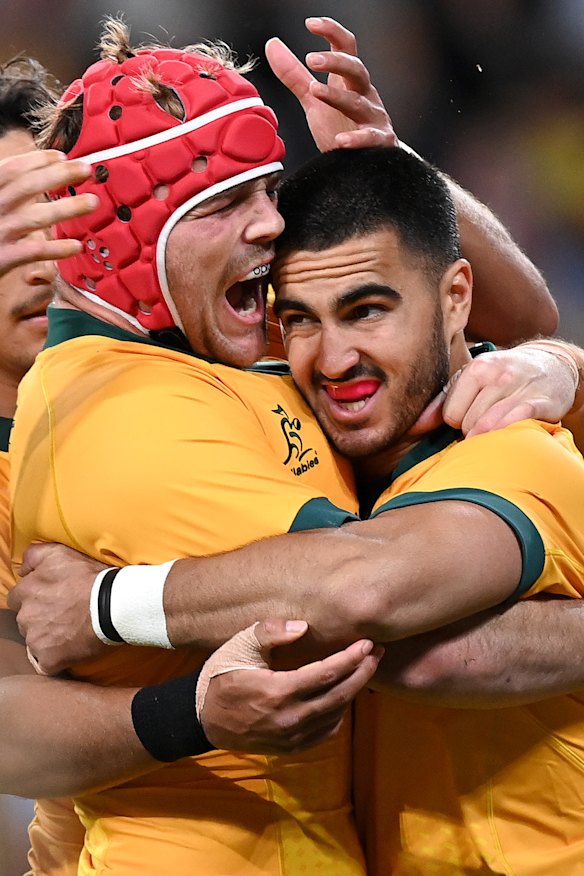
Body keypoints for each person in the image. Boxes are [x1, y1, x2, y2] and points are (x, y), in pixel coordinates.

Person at [2, 16, 577, 876]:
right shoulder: (118, 413)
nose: (45, 239)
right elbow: (365, 609)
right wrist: (184, 712)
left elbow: (498, 312)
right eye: (21, 215)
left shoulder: (234, 337)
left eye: (62, 199)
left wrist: (393, 170)